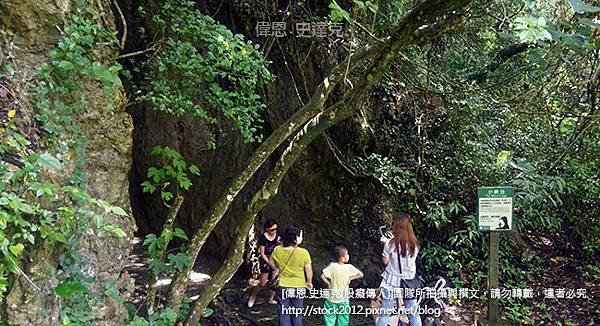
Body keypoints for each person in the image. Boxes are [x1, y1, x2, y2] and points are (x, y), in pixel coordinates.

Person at [376, 212, 422, 326]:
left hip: (391, 281)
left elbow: (385, 261)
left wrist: (386, 243)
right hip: (409, 281)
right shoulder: (414, 244)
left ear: (396, 226)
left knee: (385, 313)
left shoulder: (390, 244)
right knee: (413, 314)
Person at [270, 224, 313, 326]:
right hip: (299, 286)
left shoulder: (277, 249)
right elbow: (309, 270)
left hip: (283, 285)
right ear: (295, 239)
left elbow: (272, 264)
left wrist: (279, 268)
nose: (302, 238)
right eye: (300, 236)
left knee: (284, 312)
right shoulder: (304, 253)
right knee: (297, 313)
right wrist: (309, 282)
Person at [320, 245, 364, 326]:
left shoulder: (332, 266)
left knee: (329, 318)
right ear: (342, 258)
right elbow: (361, 274)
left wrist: (329, 283)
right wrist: (351, 278)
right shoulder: (349, 267)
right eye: (347, 254)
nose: (348, 255)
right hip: (343, 298)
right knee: (343, 318)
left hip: (331, 298)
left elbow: (322, 276)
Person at [248, 219, 281, 308]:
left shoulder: (278, 235)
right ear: (267, 229)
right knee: (262, 283)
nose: (274, 231)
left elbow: (280, 247)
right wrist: (269, 263)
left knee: (274, 281)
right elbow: (262, 253)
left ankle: (271, 298)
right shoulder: (263, 238)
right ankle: (253, 296)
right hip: (266, 259)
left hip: (275, 259)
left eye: (276, 229)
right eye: (272, 230)